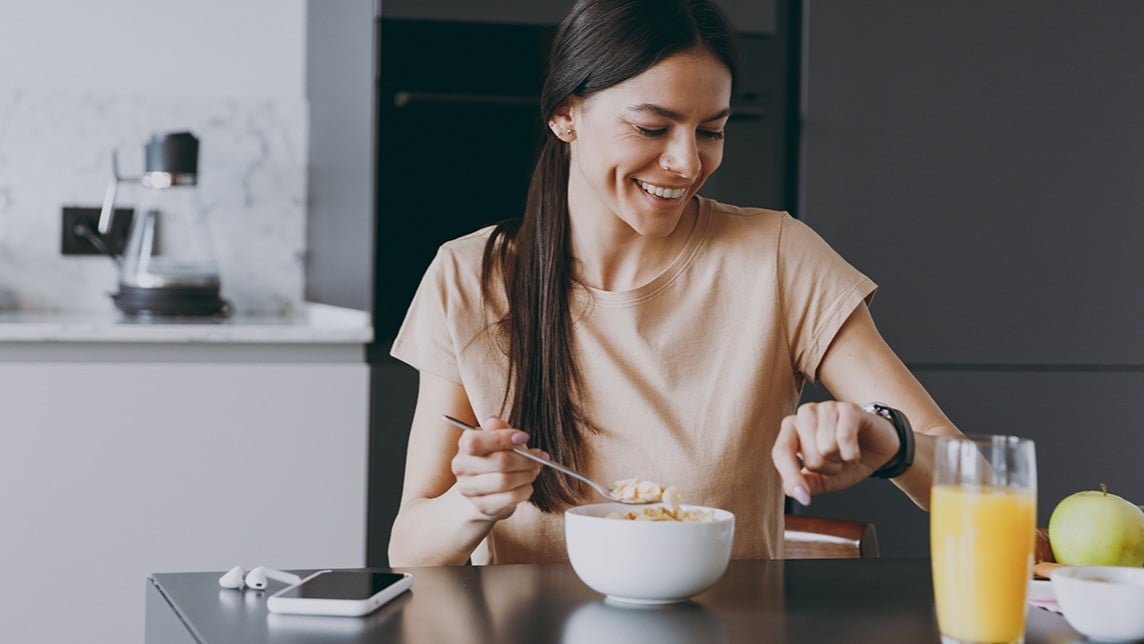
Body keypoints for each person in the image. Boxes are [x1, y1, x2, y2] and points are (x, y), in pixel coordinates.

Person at [387, 0, 962, 567]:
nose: (688, 163)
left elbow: (979, 483)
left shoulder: (778, 257)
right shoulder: (470, 275)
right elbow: (409, 547)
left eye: (710, 131)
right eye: (651, 127)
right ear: (566, 114)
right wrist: (473, 502)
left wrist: (890, 442)